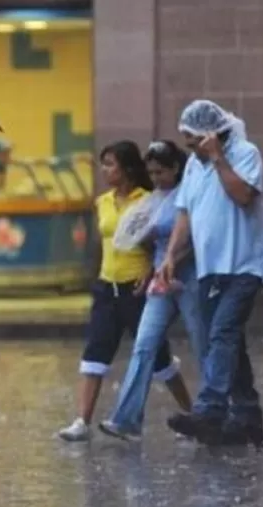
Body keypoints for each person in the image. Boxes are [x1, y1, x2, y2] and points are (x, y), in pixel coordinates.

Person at [158, 99, 263, 448]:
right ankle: (247, 417)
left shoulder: (245, 153)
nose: (189, 147)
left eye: (193, 139)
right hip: (210, 267)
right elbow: (185, 213)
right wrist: (171, 255)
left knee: (223, 331)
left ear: (212, 134)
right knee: (228, 341)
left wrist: (218, 158)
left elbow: (243, 196)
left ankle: (210, 408)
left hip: (244, 265)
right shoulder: (194, 167)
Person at [58, 140, 190, 442]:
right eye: (102, 164)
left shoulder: (149, 200)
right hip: (107, 287)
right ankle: (82, 421)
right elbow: (102, 243)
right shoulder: (102, 202)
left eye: (110, 164)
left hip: (137, 288)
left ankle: (192, 410)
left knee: (158, 358)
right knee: (95, 352)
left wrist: (149, 272)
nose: (105, 170)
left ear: (128, 168)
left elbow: (154, 244)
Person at [100, 140, 202, 440]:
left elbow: (197, 239)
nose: (156, 179)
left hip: (188, 276)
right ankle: (127, 419)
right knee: (144, 344)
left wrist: (172, 261)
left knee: (201, 342)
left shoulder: (189, 196)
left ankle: (214, 409)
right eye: (152, 173)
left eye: (161, 172)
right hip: (160, 279)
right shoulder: (153, 200)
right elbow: (143, 238)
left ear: (175, 169)